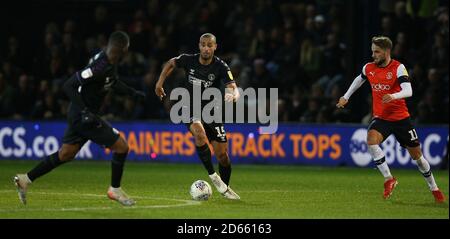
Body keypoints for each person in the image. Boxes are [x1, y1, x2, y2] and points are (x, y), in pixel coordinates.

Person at [13, 31, 145, 206]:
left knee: (66, 154)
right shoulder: (99, 66)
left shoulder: (110, 62)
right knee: (122, 146)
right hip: (84, 116)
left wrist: (132, 93)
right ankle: (115, 189)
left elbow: (112, 81)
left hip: (81, 115)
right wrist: (85, 111)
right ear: (124, 49)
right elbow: (69, 85)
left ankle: (26, 179)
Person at [336, 36, 446, 203]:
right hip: (382, 118)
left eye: (377, 52)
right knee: (371, 140)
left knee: (418, 158)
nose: (373, 55)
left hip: (401, 119)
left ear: (387, 52)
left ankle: (434, 188)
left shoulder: (398, 68)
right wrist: (346, 96)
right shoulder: (369, 68)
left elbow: (408, 91)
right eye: (372, 51)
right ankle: (389, 179)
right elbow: (359, 79)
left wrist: (393, 96)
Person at [155, 33, 241, 200]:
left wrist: (234, 95)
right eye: (203, 44)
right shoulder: (189, 60)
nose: (206, 48)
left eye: (210, 45)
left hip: (212, 111)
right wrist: (159, 82)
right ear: (199, 45)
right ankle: (213, 177)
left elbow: (233, 86)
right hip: (189, 106)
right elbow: (171, 62)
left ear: (215, 47)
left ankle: (224, 188)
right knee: (199, 134)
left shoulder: (221, 67)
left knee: (223, 156)